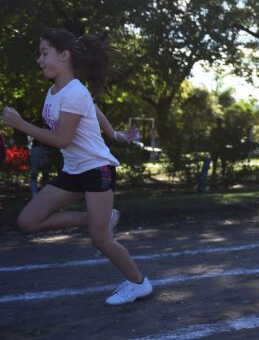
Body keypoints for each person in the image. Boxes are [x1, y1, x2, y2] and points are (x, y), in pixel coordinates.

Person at [1, 28, 152, 306]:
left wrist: (22, 125)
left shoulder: (73, 92)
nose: (40, 60)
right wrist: (113, 133)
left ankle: (138, 283)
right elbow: (92, 109)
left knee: (101, 239)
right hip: (74, 170)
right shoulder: (57, 91)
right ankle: (99, 218)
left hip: (96, 169)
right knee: (28, 220)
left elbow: (62, 139)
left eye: (45, 53)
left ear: (65, 55)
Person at [29, 118, 54, 197]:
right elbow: (30, 136)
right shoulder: (36, 123)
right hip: (36, 148)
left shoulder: (51, 124)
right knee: (34, 172)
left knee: (46, 171)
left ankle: (45, 192)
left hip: (47, 149)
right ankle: (34, 192)